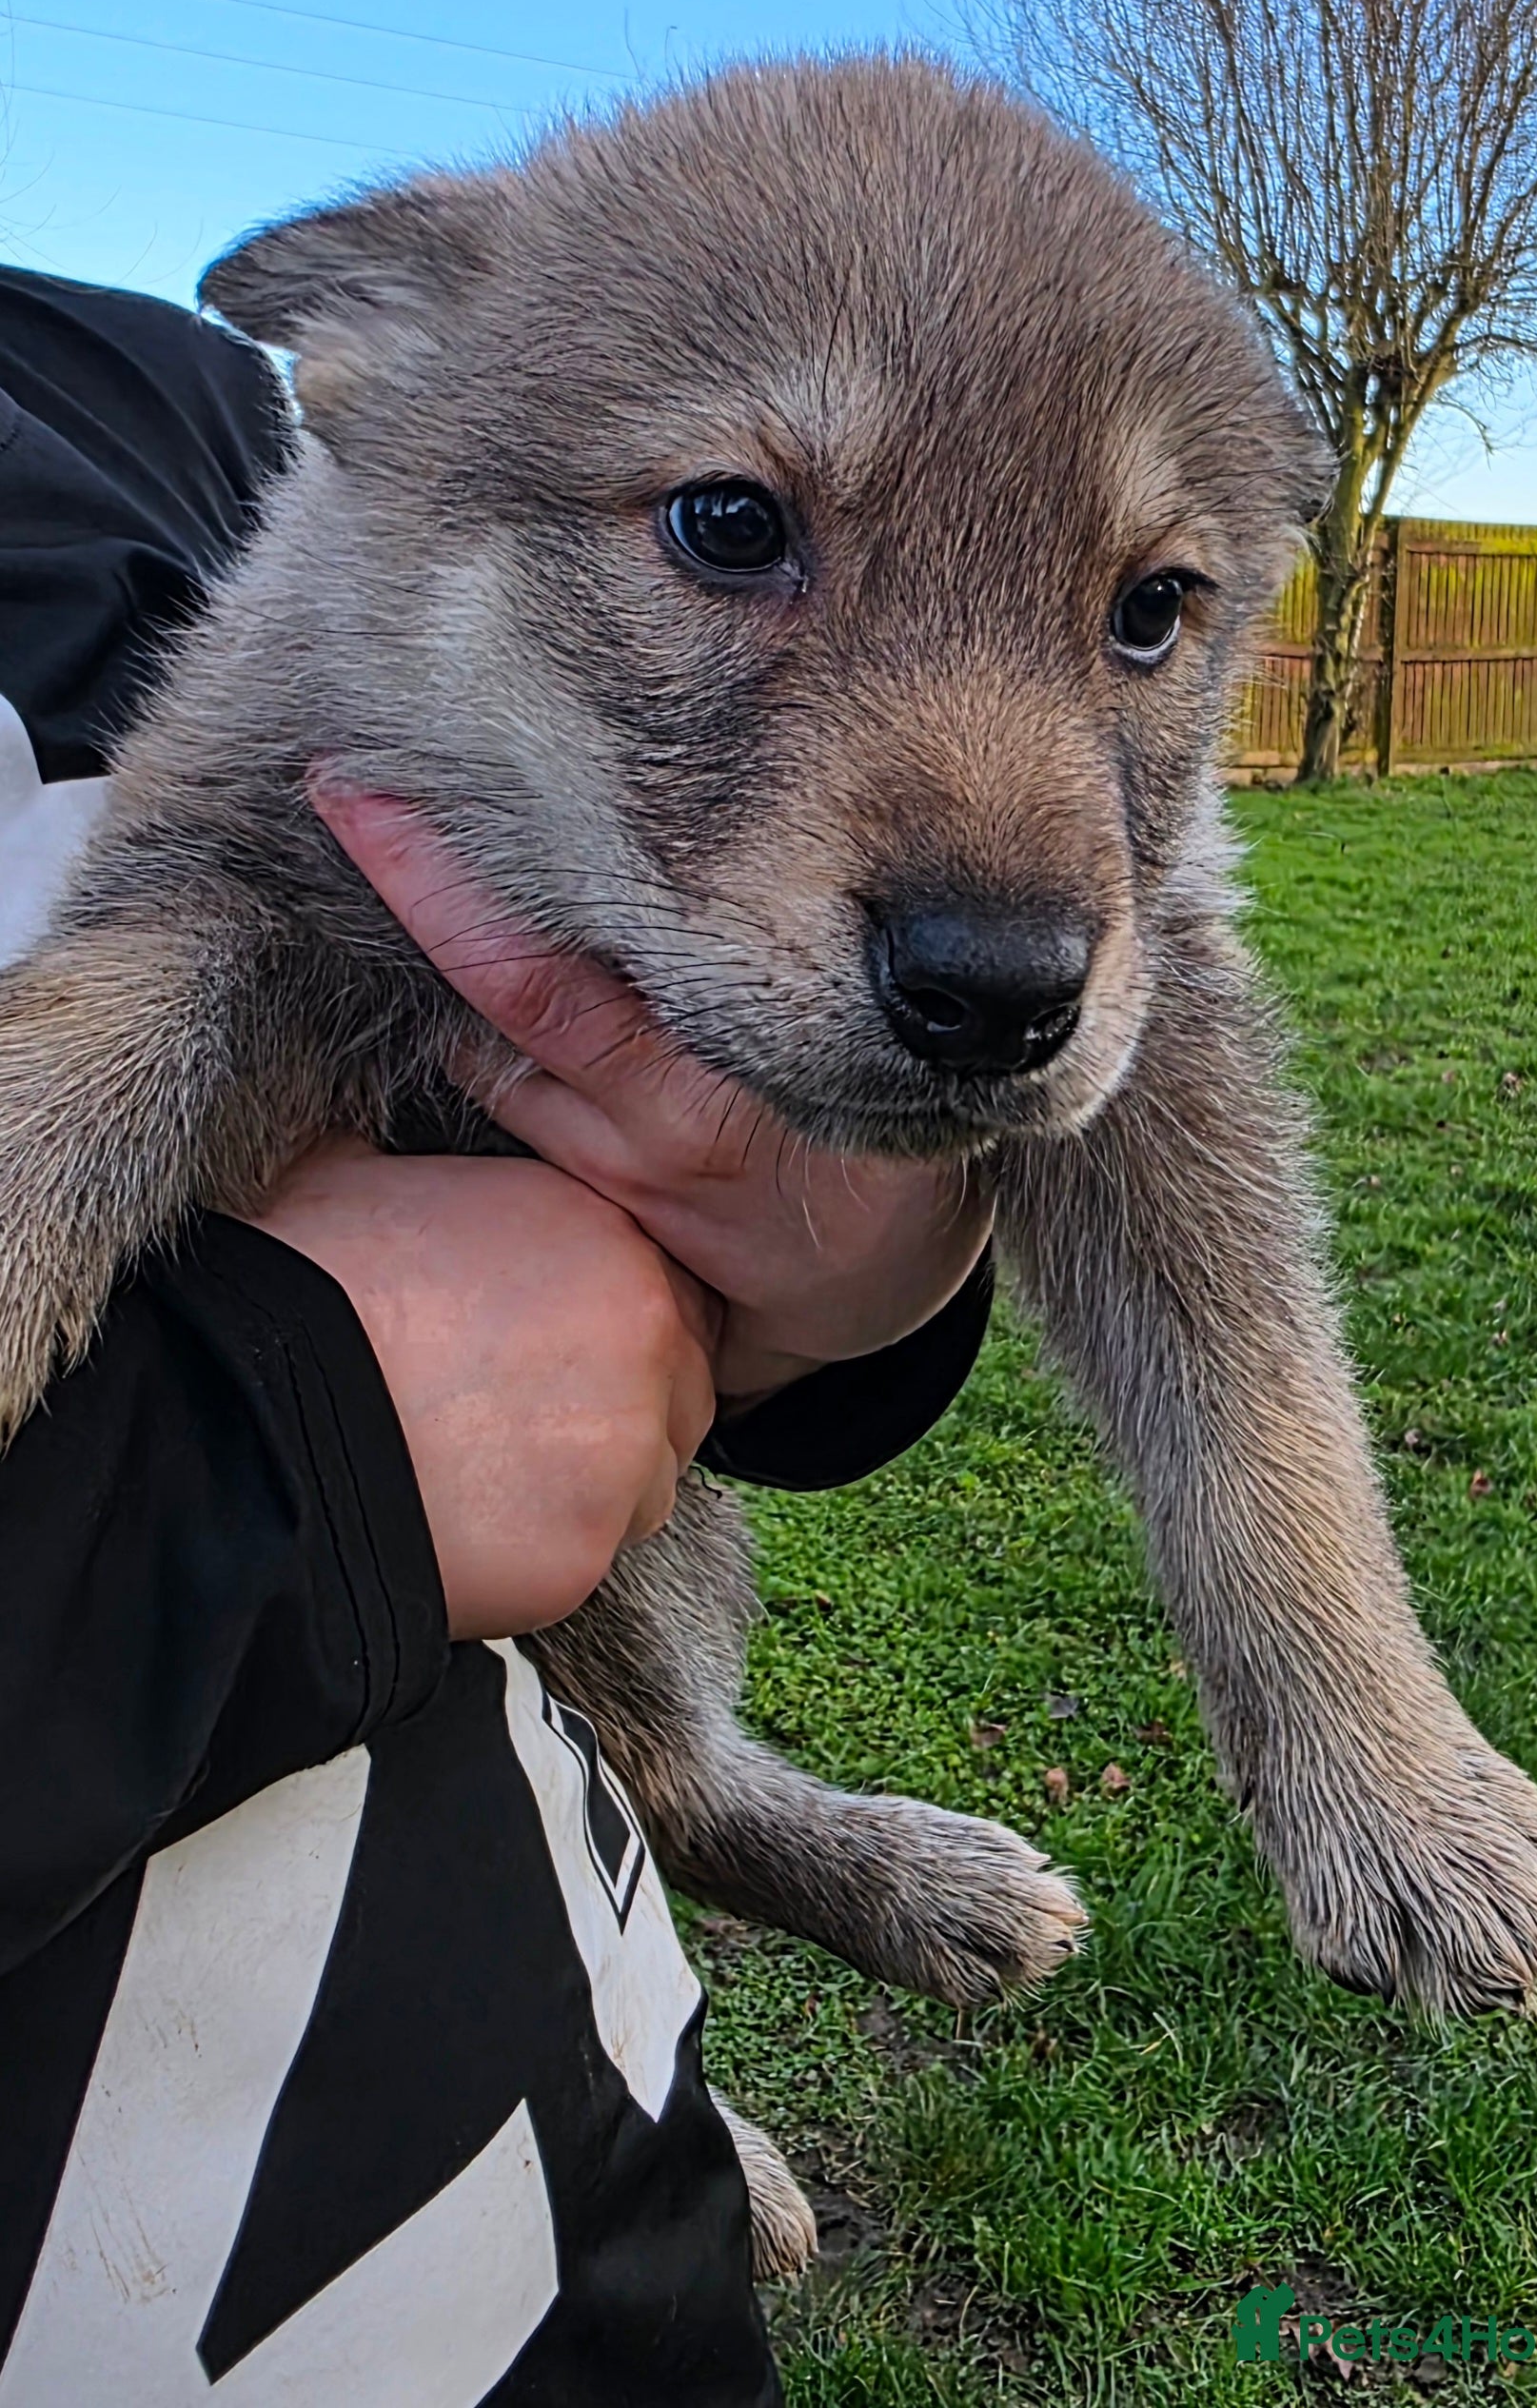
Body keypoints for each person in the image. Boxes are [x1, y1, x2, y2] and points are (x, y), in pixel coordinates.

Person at [0, 264, 995, 2406]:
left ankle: (701, 1803)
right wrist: (291, 1452)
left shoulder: (137, 391)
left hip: (565, 2213)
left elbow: (507, 982)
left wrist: (861, 1267)